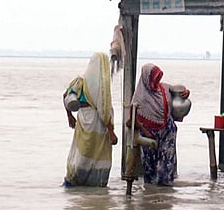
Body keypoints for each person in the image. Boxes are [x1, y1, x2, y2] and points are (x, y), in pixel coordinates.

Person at [129, 63, 190, 186]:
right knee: (149, 166)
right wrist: (145, 131)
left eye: (158, 77)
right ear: (146, 78)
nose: (156, 81)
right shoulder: (139, 97)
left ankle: (165, 196)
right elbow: (133, 118)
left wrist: (186, 92)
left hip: (167, 131)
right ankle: (151, 196)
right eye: (153, 78)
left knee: (166, 164)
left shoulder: (165, 88)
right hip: (148, 134)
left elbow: (179, 93)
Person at [63, 52, 118, 187]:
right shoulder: (97, 85)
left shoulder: (80, 82)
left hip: (85, 121)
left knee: (83, 153)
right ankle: (94, 187)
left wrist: (70, 116)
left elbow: (66, 96)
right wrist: (111, 131)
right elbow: (104, 110)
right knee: (94, 154)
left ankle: (78, 184)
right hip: (99, 125)